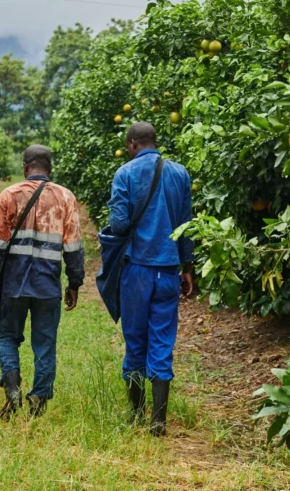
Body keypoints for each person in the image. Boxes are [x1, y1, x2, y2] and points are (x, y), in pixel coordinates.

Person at [0, 144, 84, 419]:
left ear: (25, 168)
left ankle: (12, 389)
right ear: (50, 169)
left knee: (8, 336)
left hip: (14, 284)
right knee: (45, 343)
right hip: (47, 285)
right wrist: (74, 283)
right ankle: (39, 397)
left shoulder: (10, 195)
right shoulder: (65, 197)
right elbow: (73, 247)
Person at [108, 122, 194, 436]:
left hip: (137, 271)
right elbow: (186, 225)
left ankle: (136, 414)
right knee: (162, 341)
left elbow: (118, 224)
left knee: (136, 341)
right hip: (168, 270)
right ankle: (158, 421)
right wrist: (187, 267)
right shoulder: (180, 173)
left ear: (132, 144)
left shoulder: (125, 174)